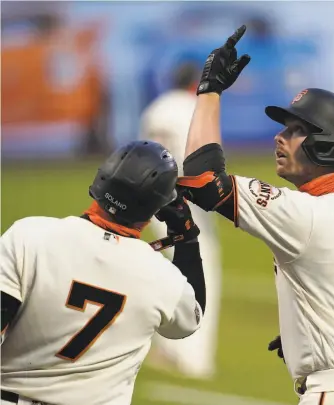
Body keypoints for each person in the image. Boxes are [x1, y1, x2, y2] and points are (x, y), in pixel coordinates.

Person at [177, 25, 334, 405]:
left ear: (327, 145)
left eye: (295, 130)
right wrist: (324, 325)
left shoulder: (303, 213)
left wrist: (210, 91)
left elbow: (202, 179)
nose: (280, 137)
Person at [0, 140, 205, 405]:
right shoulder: (163, 278)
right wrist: (187, 240)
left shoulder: (29, 236)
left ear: (101, 178)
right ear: (157, 208)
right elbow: (192, 317)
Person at [139, 61, 221, 379]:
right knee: (202, 276)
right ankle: (194, 360)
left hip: (155, 199)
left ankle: (167, 349)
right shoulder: (195, 108)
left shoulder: (154, 109)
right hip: (188, 201)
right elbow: (205, 159)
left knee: (169, 273)